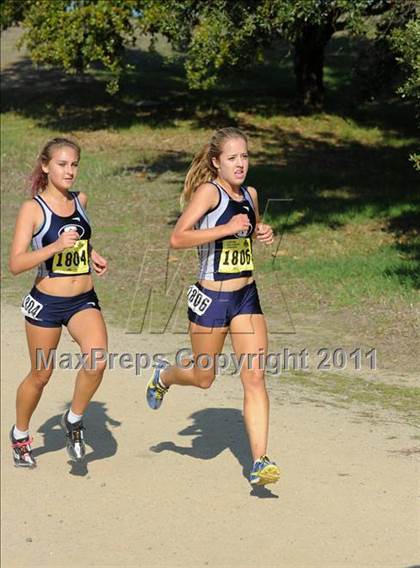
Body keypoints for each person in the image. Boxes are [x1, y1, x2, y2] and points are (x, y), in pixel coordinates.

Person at [146, 127, 280, 486]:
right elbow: (178, 238)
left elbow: (244, 231)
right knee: (204, 377)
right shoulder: (209, 192)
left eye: (245, 157)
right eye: (232, 158)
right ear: (217, 162)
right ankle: (165, 375)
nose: (240, 164)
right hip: (212, 299)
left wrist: (259, 231)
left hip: (246, 297)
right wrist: (226, 229)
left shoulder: (250, 194)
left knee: (254, 377)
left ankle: (260, 461)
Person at [9, 137, 108, 468]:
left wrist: (92, 254)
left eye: (74, 164)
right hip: (47, 304)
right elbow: (16, 264)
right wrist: (55, 248)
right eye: (62, 164)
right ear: (46, 166)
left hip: (83, 300)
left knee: (97, 360)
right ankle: (20, 434)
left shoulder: (80, 200)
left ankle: (74, 419)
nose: (70, 170)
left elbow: (79, 238)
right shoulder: (33, 209)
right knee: (41, 374)